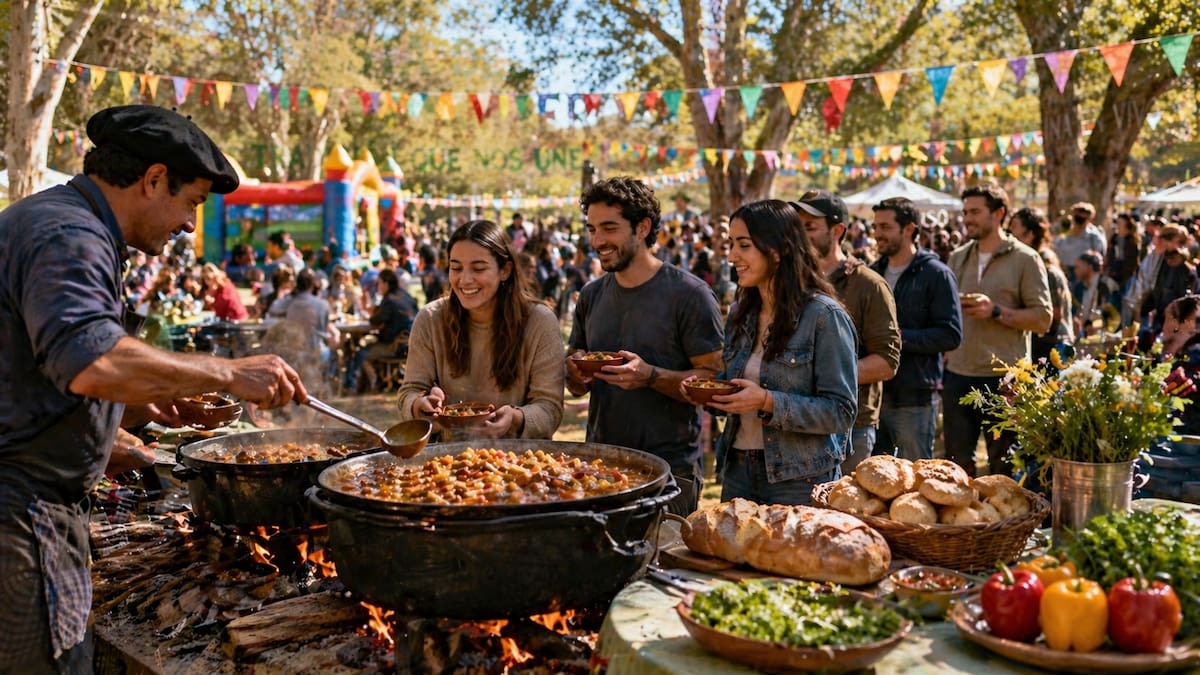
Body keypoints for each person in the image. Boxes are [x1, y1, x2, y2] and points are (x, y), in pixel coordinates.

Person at [0, 105, 305, 673]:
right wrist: (227, 372)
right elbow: (89, 357)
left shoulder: (64, 222)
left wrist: (135, 406)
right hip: (20, 514)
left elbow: (41, 370)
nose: (190, 225)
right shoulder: (70, 234)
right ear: (154, 179)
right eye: (191, 202)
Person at [566, 177, 724, 516]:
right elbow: (577, 384)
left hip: (669, 472)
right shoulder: (592, 295)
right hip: (599, 466)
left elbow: (714, 381)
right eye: (592, 229)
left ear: (643, 227)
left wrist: (650, 376)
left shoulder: (690, 295)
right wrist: (575, 370)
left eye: (609, 228)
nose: (598, 241)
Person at [682, 200, 857, 505]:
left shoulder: (824, 316)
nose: (732, 255)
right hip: (738, 469)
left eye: (744, 245)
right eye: (731, 244)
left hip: (800, 478)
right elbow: (737, 388)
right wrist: (709, 394)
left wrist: (767, 401)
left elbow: (841, 411)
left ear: (778, 250)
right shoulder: (740, 313)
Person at [396, 220, 564, 439]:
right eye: (456, 268)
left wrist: (516, 418)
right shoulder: (430, 319)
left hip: (522, 461)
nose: (465, 280)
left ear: (505, 270)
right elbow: (409, 392)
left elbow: (550, 408)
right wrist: (420, 404)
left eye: (478, 268)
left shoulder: (539, 321)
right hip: (445, 462)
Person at [943, 182, 1052, 477]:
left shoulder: (1026, 259)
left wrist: (996, 311)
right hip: (958, 375)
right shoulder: (958, 256)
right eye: (965, 212)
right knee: (955, 469)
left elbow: (1043, 319)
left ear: (998, 213)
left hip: (1005, 380)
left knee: (1004, 472)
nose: (967, 219)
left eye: (976, 212)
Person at [795, 190, 901, 473]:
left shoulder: (868, 285)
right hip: (795, 419)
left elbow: (887, 363)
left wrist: (824, 378)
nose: (800, 235)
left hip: (850, 426)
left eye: (810, 227)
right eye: (797, 227)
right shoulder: (789, 283)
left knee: (845, 514)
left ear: (837, 230)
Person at [868, 197, 962, 461]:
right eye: (875, 227)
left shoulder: (936, 274)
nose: (877, 234)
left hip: (915, 395)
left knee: (915, 479)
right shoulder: (872, 273)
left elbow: (951, 334)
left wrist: (900, 338)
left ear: (909, 229)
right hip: (874, 395)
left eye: (885, 227)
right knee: (874, 479)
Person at [1008, 206, 1074, 364]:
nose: (1008, 235)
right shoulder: (1026, 266)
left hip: (1055, 349)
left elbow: (1054, 317)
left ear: (1030, 235)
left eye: (1014, 228)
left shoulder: (1046, 271)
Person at [347, 268, 418, 392]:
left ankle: (369, 383)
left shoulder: (389, 300)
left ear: (386, 284)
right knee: (368, 345)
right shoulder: (405, 295)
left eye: (379, 283)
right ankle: (378, 381)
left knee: (361, 352)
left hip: (395, 346)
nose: (378, 286)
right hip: (411, 344)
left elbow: (374, 321)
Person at [1053, 201, 1106, 284]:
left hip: (1084, 278)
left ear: (1089, 220)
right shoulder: (1065, 236)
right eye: (1077, 218)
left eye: (1082, 220)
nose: (1078, 223)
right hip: (1065, 274)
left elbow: (1099, 259)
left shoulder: (1094, 238)